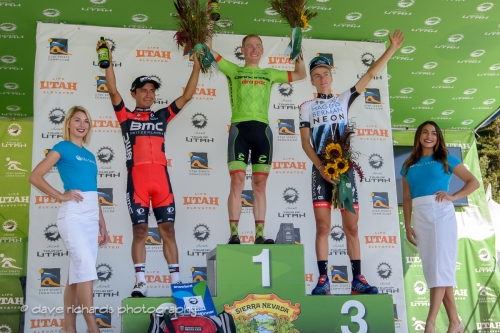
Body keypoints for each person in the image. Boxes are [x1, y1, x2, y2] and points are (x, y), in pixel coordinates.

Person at [299, 30, 405, 295]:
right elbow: (305, 143)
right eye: (316, 76)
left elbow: (369, 76)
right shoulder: (306, 107)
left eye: (325, 74)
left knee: (352, 226)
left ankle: (357, 279)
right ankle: (323, 280)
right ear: (312, 81)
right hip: (321, 170)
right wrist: (321, 168)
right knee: (323, 226)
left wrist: (391, 49)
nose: (322, 79)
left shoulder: (343, 99)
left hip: (345, 170)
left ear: (331, 77)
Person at [102, 41, 201, 297]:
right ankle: (140, 282)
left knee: (168, 230)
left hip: (161, 181)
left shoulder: (161, 116)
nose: (148, 94)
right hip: (137, 180)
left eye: (151, 91)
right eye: (143, 90)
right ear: (134, 93)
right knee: (140, 231)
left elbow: (187, 96)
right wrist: (107, 59)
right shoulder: (125, 116)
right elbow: (112, 91)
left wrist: (197, 64)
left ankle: (177, 283)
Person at [206, 27, 307, 244]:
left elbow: (301, 74)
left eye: (258, 46)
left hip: (263, 131)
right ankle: (234, 234)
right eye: (249, 46)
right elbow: (208, 50)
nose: (254, 49)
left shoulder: (269, 74)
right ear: (242, 50)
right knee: (237, 181)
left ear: (262, 50)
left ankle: (259, 236)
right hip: (239, 130)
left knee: (260, 185)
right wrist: (207, 25)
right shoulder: (233, 70)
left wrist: (297, 47)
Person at [29, 106, 108, 333]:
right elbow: (35, 176)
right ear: (69, 124)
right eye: (77, 120)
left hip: (92, 219)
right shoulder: (62, 147)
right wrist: (61, 196)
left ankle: (69, 328)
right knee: (85, 269)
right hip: (72, 216)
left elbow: (94, 192)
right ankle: (93, 328)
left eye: (86, 121)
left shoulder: (91, 156)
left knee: (76, 276)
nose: (82, 125)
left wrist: (102, 223)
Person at [402, 121, 478, 333]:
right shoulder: (408, 164)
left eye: (434, 133)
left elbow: (473, 182)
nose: (429, 136)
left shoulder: (446, 159)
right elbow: (407, 198)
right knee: (436, 270)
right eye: (425, 132)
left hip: (441, 215)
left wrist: (454, 196)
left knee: (439, 270)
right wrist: (407, 225)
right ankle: (456, 322)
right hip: (421, 217)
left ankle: (430, 324)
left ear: (438, 138)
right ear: (418, 136)